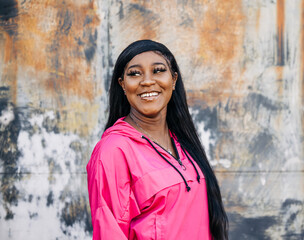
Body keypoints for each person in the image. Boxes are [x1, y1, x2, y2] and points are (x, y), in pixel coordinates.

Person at [86, 40, 228, 240]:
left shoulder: (183, 143)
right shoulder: (114, 150)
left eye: (158, 71)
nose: (147, 81)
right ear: (122, 84)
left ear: (174, 79)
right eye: (135, 73)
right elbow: (110, 232)